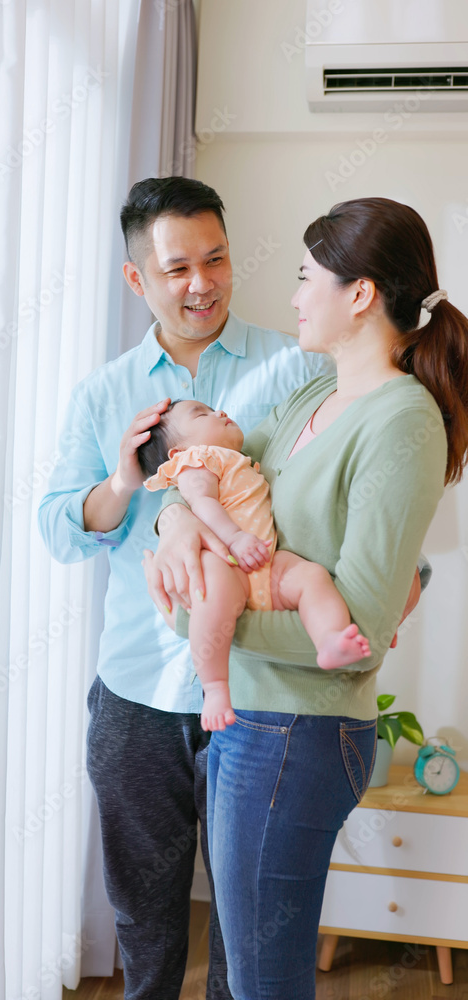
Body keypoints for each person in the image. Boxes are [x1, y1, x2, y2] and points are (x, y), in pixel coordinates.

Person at [144, 197, 468, 1000]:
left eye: (304, 278)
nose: (291, 296)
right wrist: (175, 524)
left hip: (299, 727)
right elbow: (207, 472)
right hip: (256, 718)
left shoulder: (402, 421)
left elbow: (358, 619)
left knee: (263, 980)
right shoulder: (306, 399)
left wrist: (196, 619)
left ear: (358, 295)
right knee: (250, 968)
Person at [38, 176, 342, 1000]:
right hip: (135, 686)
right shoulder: (104, 393)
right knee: (144, 917)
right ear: (138, 279)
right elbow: (59, 528)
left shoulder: (292, 367)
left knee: (247, 926)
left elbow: (326, 504)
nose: (201, 282)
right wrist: (122, 485)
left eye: (216, 259)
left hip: (260, 689)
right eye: (177, 269)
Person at [139, 398, 371, 730]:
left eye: (214, 408)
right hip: (228, 559)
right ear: (177, 452)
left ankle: (330, 640)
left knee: (310, 576)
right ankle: (216, 686)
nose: (219, 412)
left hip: (265, 561)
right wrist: (233, 538)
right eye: (202, 414)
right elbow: (201, 502)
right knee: (212, 598)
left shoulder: (243, 460)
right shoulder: (198, 460)